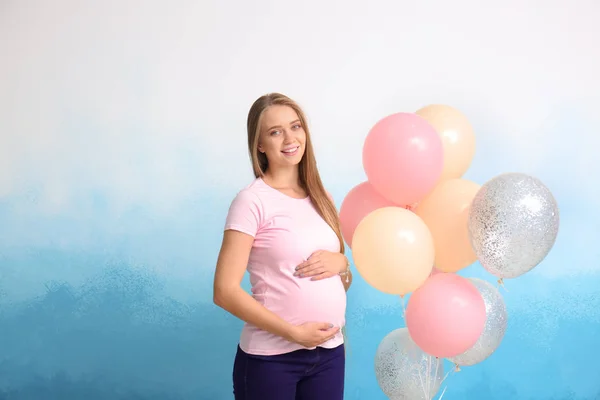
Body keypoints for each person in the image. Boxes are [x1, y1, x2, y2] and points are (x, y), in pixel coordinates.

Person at [213, 92, 353, 400]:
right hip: (272, 359)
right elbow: (224, 291)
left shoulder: (322, 196)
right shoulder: (252, 201)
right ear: (260, 144)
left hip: (329, 354)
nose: (290, 138)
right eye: (276, 131)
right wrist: (294, 333)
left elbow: (341, 279)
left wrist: (342, 263)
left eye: (296, 126)